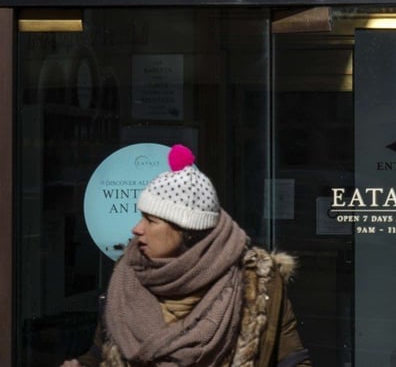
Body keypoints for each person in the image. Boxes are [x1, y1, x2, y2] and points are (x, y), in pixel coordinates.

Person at [61, 144, 311, 367]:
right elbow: (99, 355)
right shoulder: (127, 278)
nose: (137, 229)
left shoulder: (258, 286)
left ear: (188, 233)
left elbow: (293, 360)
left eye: (151, 220)